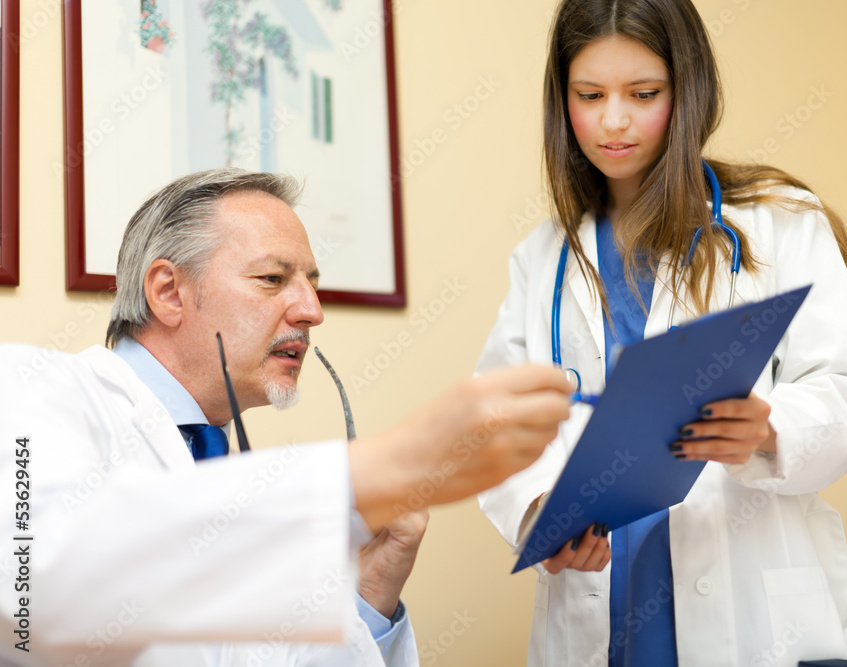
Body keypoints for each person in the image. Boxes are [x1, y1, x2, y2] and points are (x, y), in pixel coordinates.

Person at [0, 168, 573, 666]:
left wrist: (369, 596)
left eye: (311, 285)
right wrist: (379, 467)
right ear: (169, 292)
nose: (312, 311)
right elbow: (31, 593)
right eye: (273, 280)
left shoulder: (240, 478)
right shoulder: (30, 389)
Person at [477, 1, 847, 665]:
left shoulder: (780, 223)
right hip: (597, 608)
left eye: (644, 94)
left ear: (687, 91)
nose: (614, 120)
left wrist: (770, 428)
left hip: (747, 608)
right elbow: (500, 420)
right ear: (563, 102)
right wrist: (538, 513)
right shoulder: (542, 260)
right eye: (590, 95)